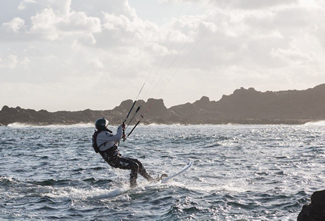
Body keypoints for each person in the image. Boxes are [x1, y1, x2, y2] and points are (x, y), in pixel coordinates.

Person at [92, 117, 156, 188]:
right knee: (134, 166)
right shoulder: (102, 134)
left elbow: (114, 141)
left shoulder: (103, 134)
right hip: (114, 160)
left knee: (138, 163)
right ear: (103, 126)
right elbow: (117, 138)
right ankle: (133, 185)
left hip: (117, 158)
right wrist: (120, 128)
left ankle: (151, 180)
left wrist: (122, 135)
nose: (107, 126)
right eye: (107, 125)